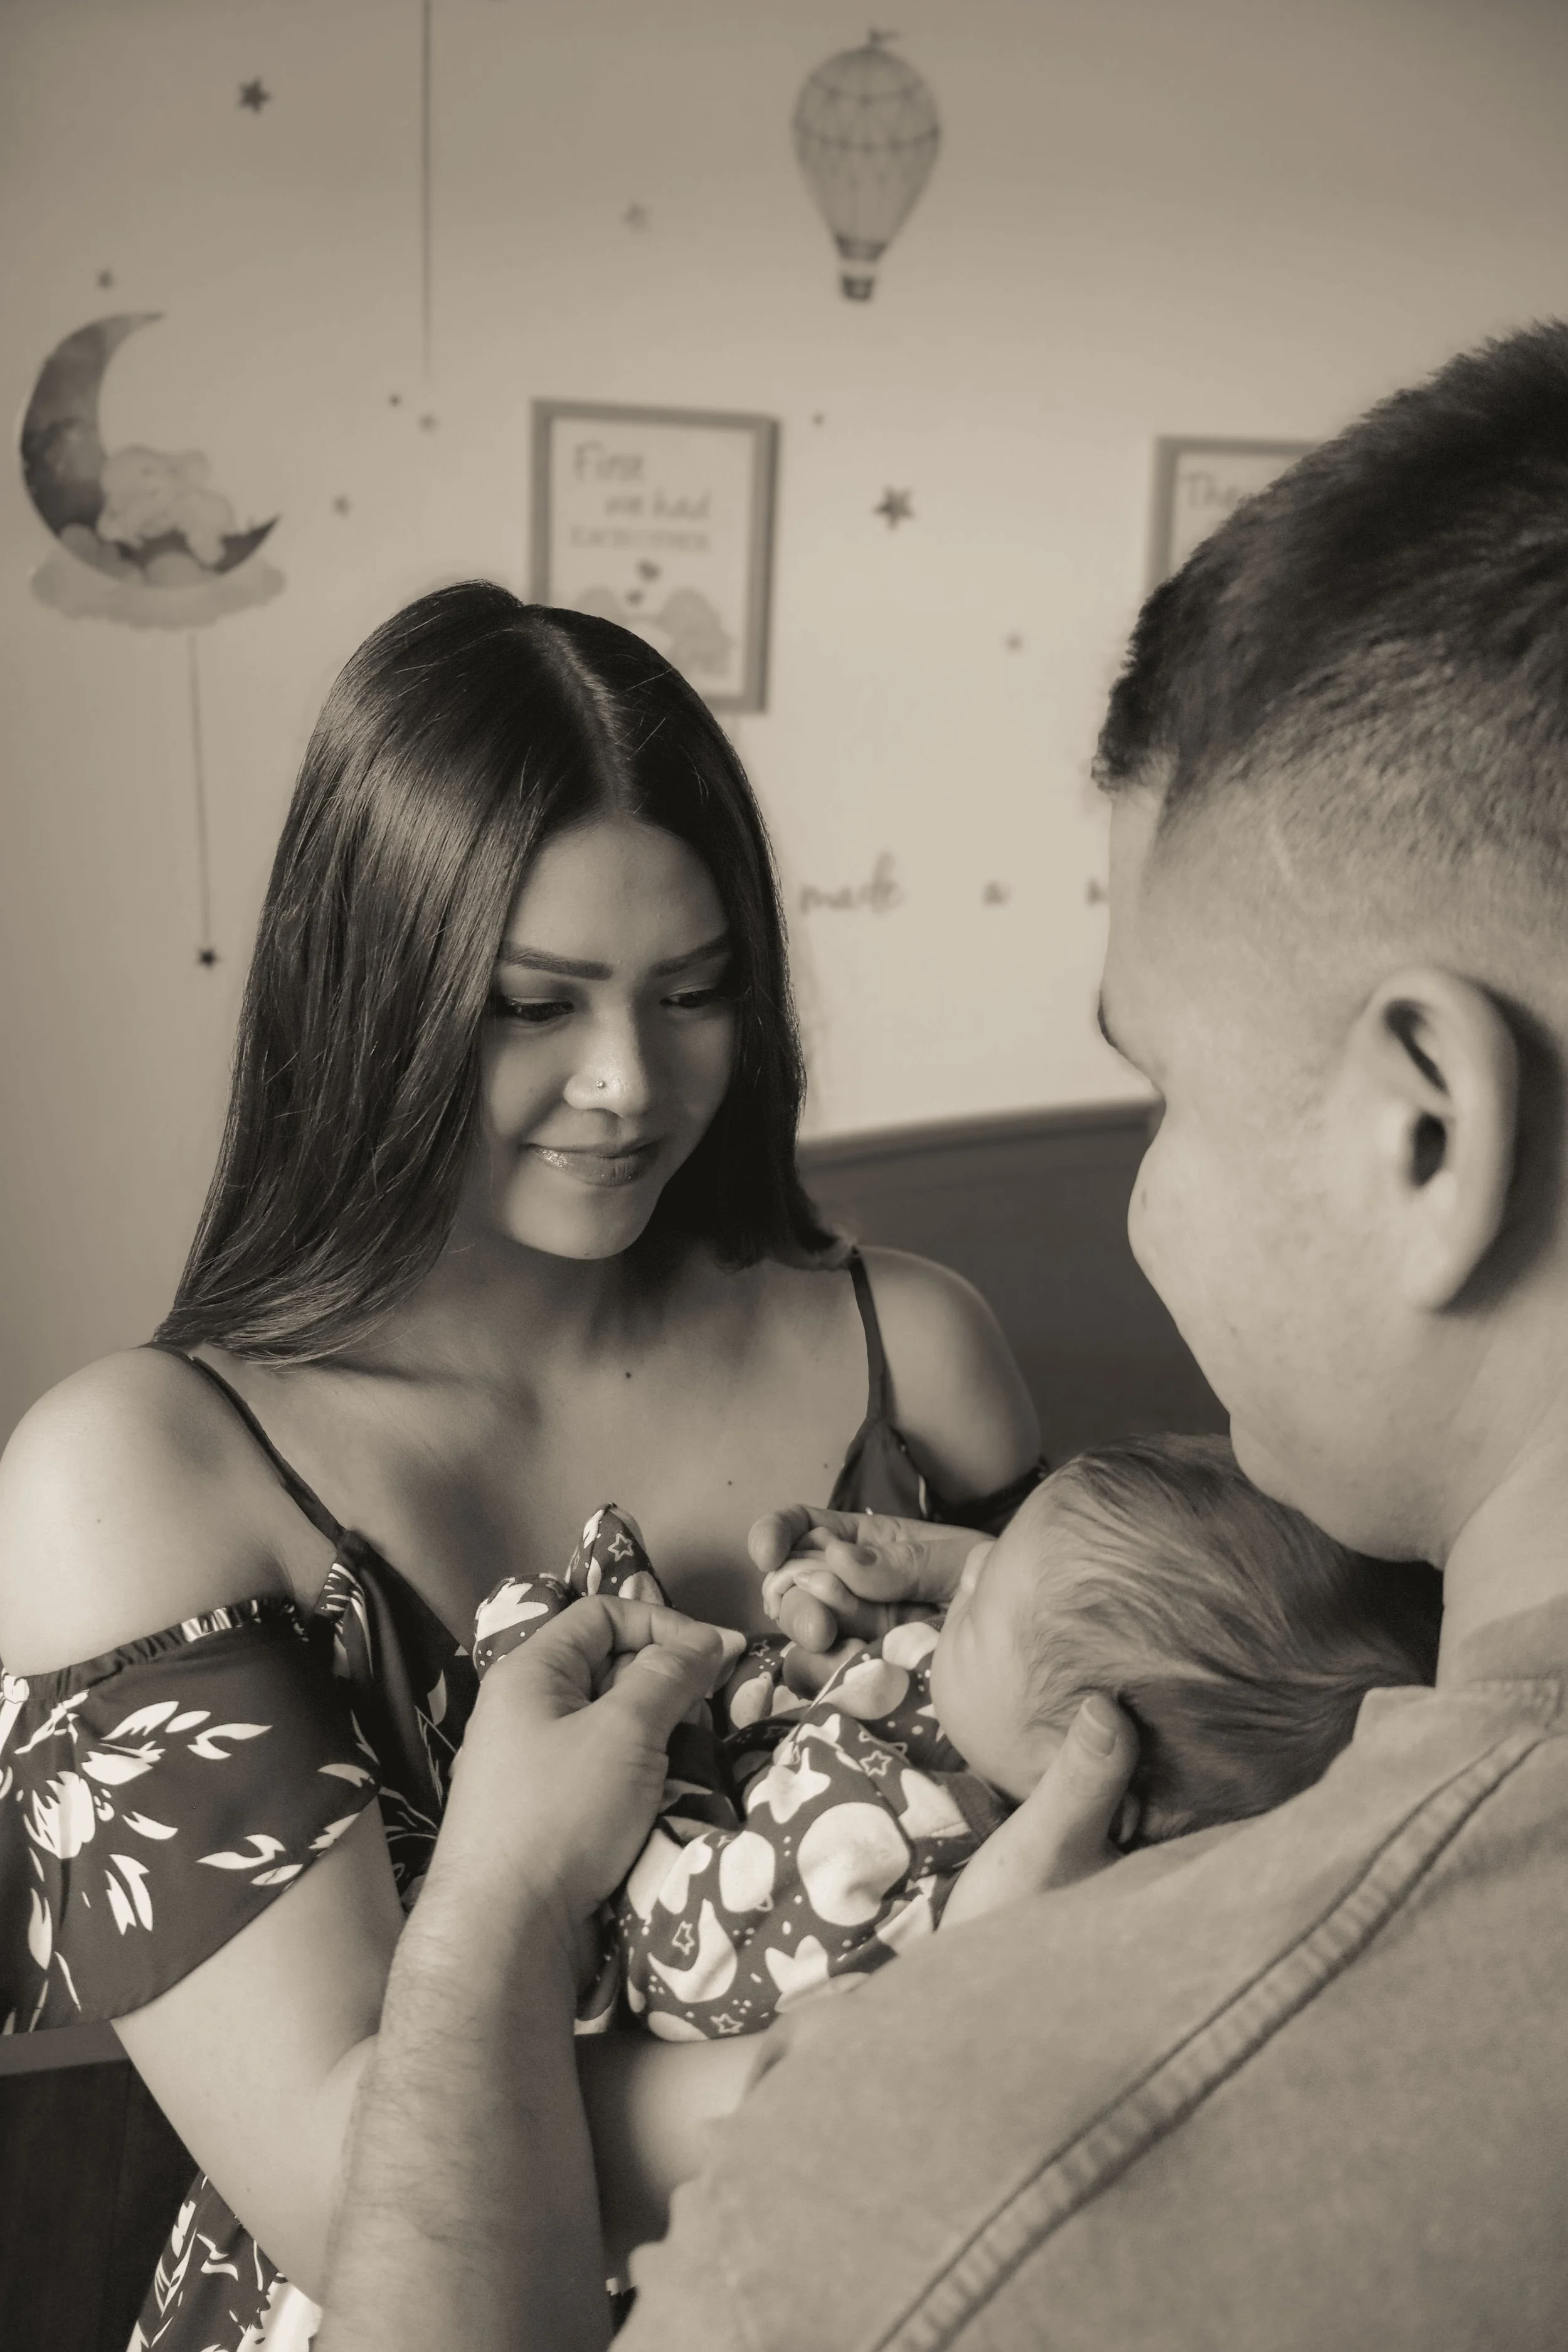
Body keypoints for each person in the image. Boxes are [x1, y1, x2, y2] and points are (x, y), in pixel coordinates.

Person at [314, 320, 1568, 2351]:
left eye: (1158, 1090)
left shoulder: (959, 2140)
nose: (623, 1084)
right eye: (533, 1003)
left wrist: (486, 1935)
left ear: (1428, 1126)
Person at [0, 587, 1042, 2352]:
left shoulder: (912, 1351)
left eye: (696, 990)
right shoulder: (136, 1472)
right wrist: (952, 2051)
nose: (629, 1082)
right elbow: (351, 2185)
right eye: (529, 1005)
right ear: (370, 997)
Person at [472, 1442, 1439, 2044]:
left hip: (655, 1907)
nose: (957, 1584)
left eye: (972, 1606)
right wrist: (947, 1586)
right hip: (754, 1746)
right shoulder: (1006, 1719)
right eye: (984, 1561)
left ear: (1102, 1777)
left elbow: (692, 1972)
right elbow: (971, 1654)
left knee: (545, 1628)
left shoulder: (911, 1858)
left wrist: (673, 1744)